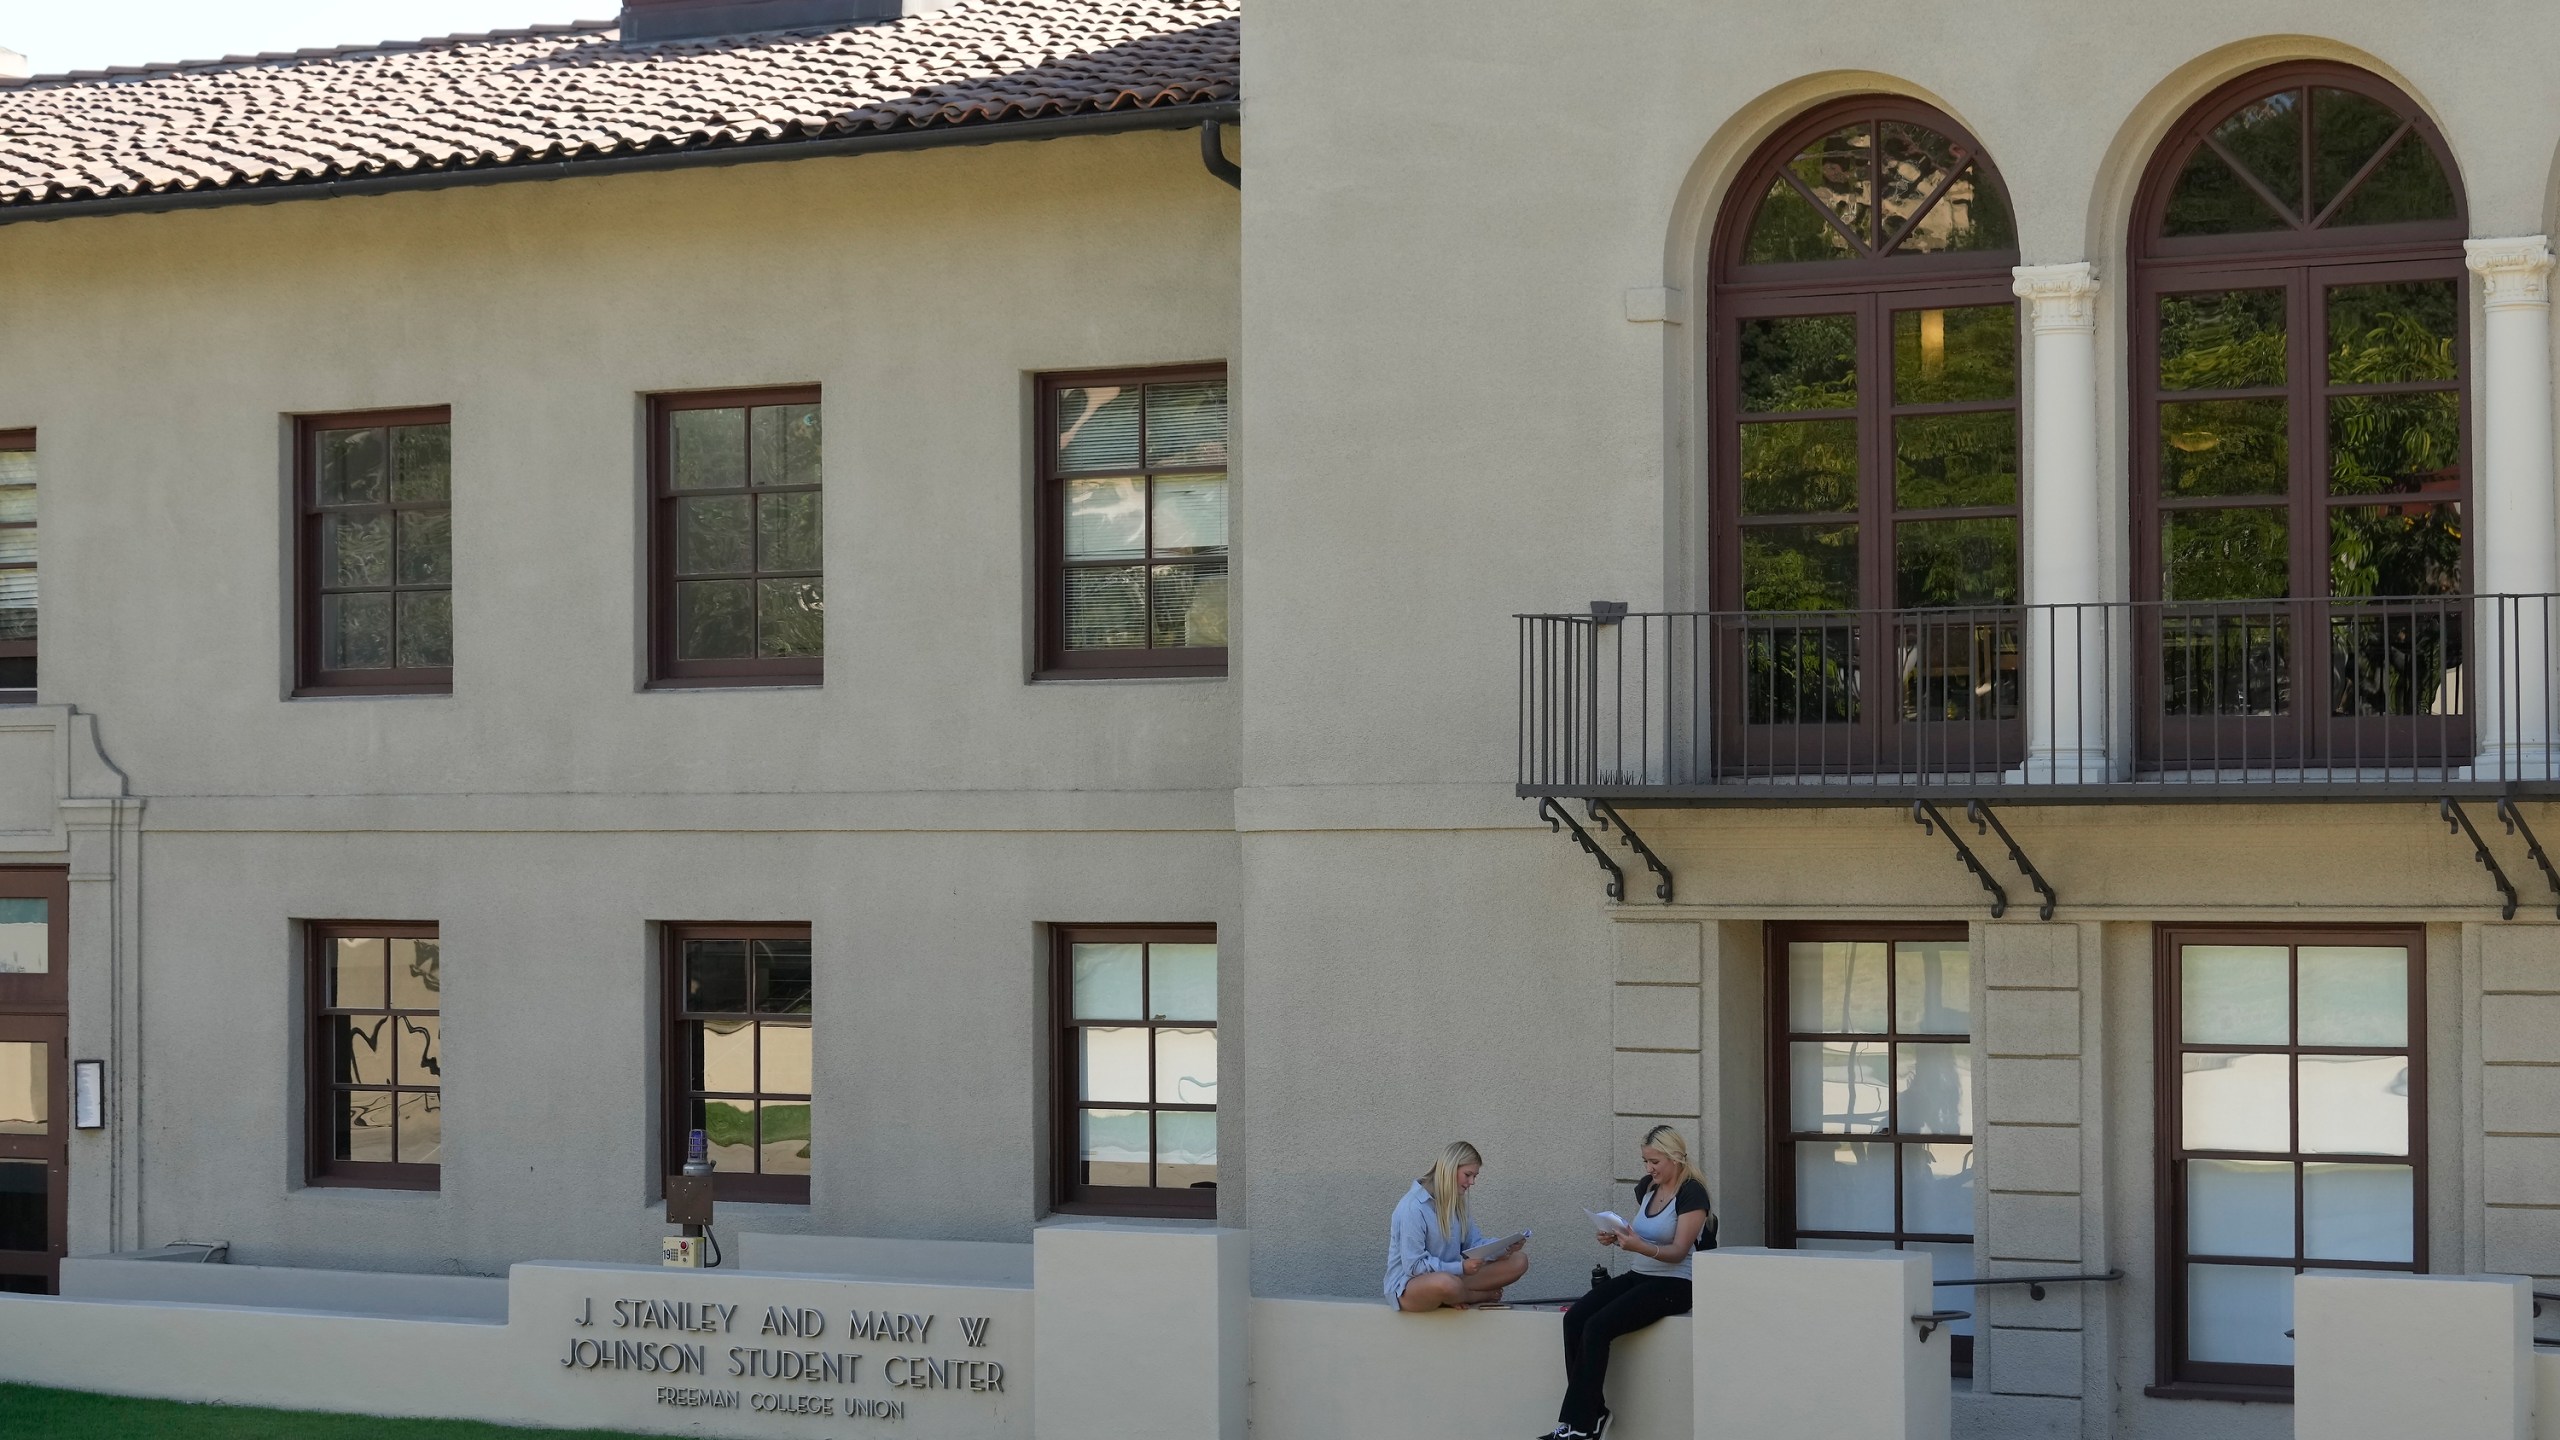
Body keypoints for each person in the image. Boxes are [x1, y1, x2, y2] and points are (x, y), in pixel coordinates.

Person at [1541, 1124, 1714, 1440]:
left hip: (1675, 1284)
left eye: (1655, 1162)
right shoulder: (1648, 1188)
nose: (1649, 1168)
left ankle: (1581, 1426)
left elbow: (1677, 1252)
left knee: (1597, 1327)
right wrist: (1617, 1235)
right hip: (1640, 1274)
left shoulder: (1692, 1193)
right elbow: (1645, 1234)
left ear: (1675, 1157)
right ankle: (1593, 1413)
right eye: (1645, 1161)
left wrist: (1637, 1245)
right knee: (1576, 1319)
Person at [1384, 1140, 1530, 1310]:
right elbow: (1414, 1267)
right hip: (1411, 1286)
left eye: (1474, 1176)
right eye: (1468, 1175)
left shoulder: (1457, 1204)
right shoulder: (1413, 1207)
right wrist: (1459, 1267)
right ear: (1450, 1169)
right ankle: (1475, 1296)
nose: (1472, 1182)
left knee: (1519, 1261)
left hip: (1453, 1277)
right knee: (1446, 1283)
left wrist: (1505, 1247)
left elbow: (1474, 1247)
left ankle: (1454, 1296)